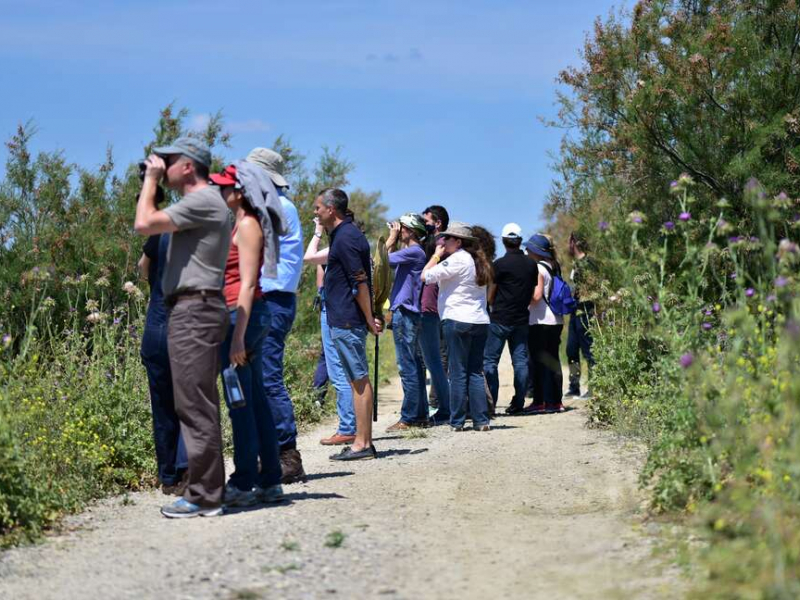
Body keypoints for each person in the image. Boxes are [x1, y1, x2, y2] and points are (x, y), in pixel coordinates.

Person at [134, 137, 231, 518]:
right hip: (190, 310)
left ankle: (205, 495)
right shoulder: (198, 204)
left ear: (188, 165)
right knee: (192, 402)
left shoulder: (204, 200)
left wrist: (150, 180)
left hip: (196, 310)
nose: (163, 165)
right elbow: (154, 225)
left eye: (169, 161)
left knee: (195, 405)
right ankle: (206, 489)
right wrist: (154, 183)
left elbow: (144, 223)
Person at [209, 164, 284, 507]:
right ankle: (269, 480)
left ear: (239, 191)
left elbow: (250, 283)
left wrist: (238, 336)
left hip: (243, 318)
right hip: (243, 317)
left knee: (240, 405)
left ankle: (242, 482)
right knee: (253, 404)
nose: (220, 192)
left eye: (224, 187)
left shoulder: (249, 225)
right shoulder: (239, 222)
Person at [246, 148, 307, 484]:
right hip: (266, 298)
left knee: (268, 378)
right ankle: (269, 454)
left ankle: (287, 455)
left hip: (271, 299)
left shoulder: (277, 208)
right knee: (258, 379)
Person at [313, 188, 383, 461]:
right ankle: (360, 440)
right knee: (356, 380)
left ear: (331, 209)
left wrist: (368, 318)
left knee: (359, 381)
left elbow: (360, 281)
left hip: (347, 320)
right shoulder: (344, 235)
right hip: (342, 319)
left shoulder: (346, 238)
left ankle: (363, 444)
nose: (315, 212)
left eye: (318, 207)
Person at [421, 222, 492, 432]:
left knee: (458, 371)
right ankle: (481, 420)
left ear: (458, 242)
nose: (442, 242)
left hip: (457, 319)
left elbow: (425, 276)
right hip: (480, 320)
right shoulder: (479, 261)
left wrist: (435, 256)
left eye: (447, 239)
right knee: (475, 371)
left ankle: (457, 421)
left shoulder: (457, 259)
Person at [138, 220, 188, 496]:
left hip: (156, 324)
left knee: (163, 407)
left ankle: (168, 477)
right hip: (184, 326)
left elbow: (142, 265)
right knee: (189, 403)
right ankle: (186, 470)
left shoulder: (159, 235)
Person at [304, 220, 357, 446]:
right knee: (350, 371)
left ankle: (347, 427)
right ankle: (353, 426)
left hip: (335, 312)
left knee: (338, 371)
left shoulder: (338, 247)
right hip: (346, 312)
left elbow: (309, 257)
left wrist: (317, 233)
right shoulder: (355, 246)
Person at [484, 223, 537, 415]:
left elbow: (492, 292)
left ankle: (491, 404)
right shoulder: (532, 265)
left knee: (490, 361)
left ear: (505, 242)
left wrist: (489, 305)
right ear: (520, 241)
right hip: (521, 319)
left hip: (499, 319)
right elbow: (531, 290)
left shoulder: (499, 265)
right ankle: (518, 403)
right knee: (520, 362)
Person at [384, 213, 429, 431]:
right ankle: (420, 414)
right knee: (415, 365)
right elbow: (389, 265)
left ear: (410, 231)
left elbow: (381, 260)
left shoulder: (414, 251)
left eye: (401, 228)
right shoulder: (415, 252)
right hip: (410, 312)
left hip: (406, 313)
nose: (398, 230)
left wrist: (391, 238)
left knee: (407, 365)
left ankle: (408, 417)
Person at [524, 234, 565, 413]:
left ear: (534, 251)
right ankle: (556, 401)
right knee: (553, 360)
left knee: (539, 363)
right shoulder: (554, 266)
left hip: (540, 320)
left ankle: (541, 402)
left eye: (528, 249)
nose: (526, 252)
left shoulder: (539, 269)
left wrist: (522, 300)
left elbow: (537, 296)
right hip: (556, 320)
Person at [420, 205, 450, 422]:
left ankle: (438, 403)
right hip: (429, 306)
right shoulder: (430, 244)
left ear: (437, 222)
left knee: (439, 357)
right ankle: (434, 403)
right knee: (433, 357)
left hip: (436, 306)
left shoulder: (442, 245)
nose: (424, 225)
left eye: (427, 221)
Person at [566, 232, 597, 399]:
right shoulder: (576, 264)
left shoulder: (589, 263)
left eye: (569, 241)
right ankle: (574, 386)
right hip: (574, 311)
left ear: (574, 242)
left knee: (588, 350)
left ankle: (594, 388)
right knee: (571, 349)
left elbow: (595, 288)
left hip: (586, 311)